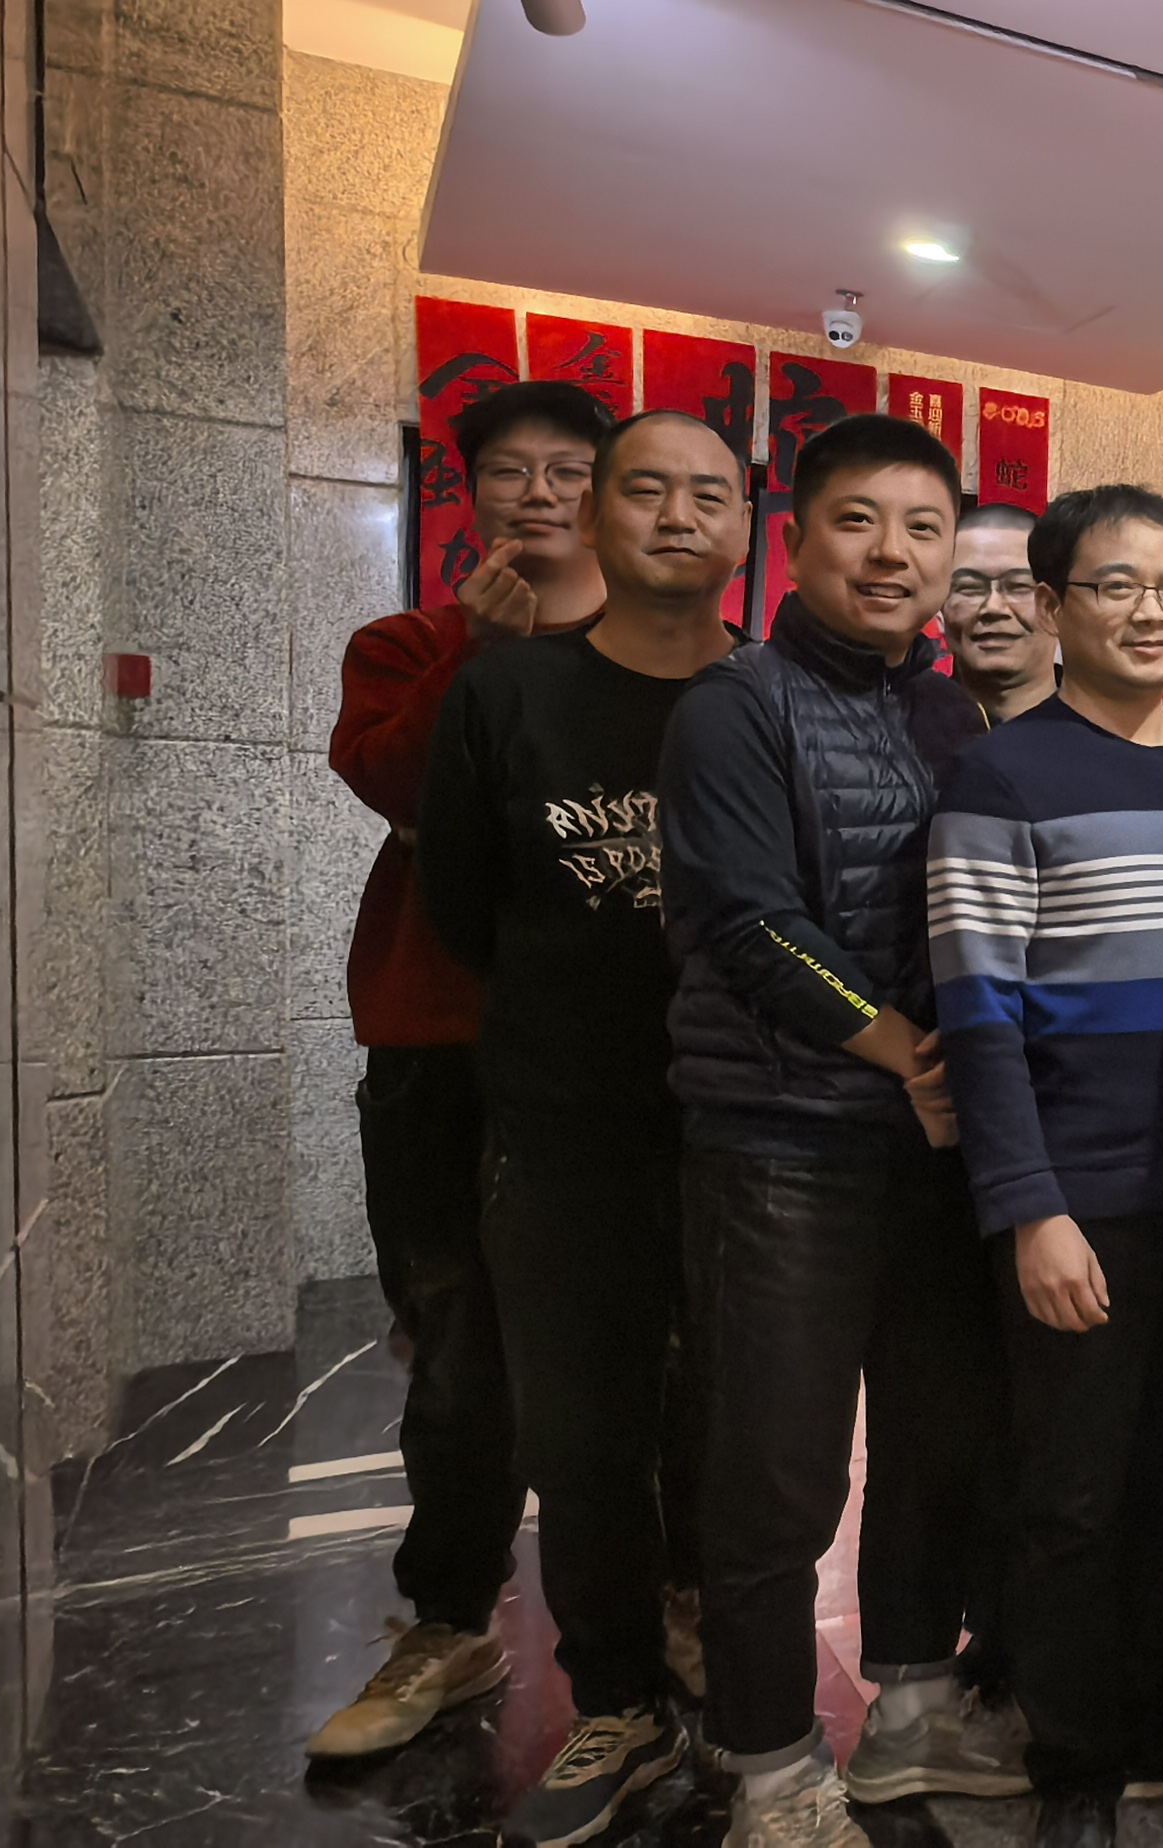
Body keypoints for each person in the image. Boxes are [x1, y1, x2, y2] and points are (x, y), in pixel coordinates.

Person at [659, 414, 1019, 1845]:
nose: (892, 553)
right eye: (858, 521)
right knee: (776, 1470)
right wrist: (908, 1057)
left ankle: (913, 1713)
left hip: (928, 1150)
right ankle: (769, 1766)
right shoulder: (733, 704)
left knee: (935, 1443)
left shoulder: (949, 714)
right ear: (795, 539)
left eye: (923, 528)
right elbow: (745, 922)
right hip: (782, 1145)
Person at [927, 484, 1163, 1844]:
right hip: (1078, 1201)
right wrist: (1029, 1210)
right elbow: (978, 1011)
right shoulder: (1002, 778)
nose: (1149, 611)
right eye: (1114, 585)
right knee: (1070, 1490)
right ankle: (1073, 1757)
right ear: (1054, 604)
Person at [412, 408, 747, 1842]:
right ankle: (614, 1699)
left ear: (746, 527)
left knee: (739, 1417)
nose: (678, 516)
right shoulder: (509, 691)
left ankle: (727, 1652)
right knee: (584, 1428)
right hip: (562, 1122)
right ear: (599, 515)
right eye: (647, 490)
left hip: (748, 1126)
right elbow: (461, 903)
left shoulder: (769, 693)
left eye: (709, 495)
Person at [311, 378, 611, 1763]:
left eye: (569, 470)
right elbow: (391, 786)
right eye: (510, 471)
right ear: (467, 490)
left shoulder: (662, 653)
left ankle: (666, 1602)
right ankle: (449, 1617)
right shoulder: (409, 643)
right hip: (440, 1048)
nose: (539, 493)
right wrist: (473, 663)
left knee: (655, 1340)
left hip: (615, 1050)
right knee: (453, 1344)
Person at [947, 501, 1056, 723]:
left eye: (1019, 586)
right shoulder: (900, 729)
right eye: (969, 587)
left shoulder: (1112, 729)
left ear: (1057, 604)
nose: (993, 608)